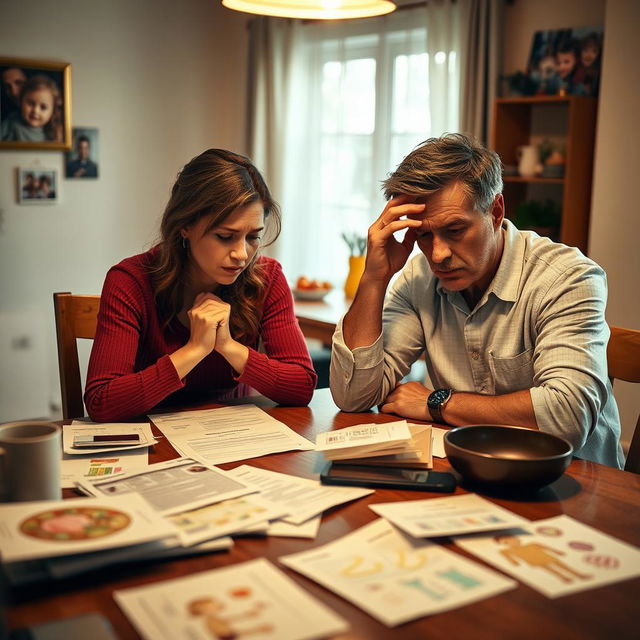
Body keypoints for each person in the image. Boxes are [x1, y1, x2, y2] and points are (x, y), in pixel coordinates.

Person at [330, 133, 623, 468]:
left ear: (495, 211)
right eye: (424, 235)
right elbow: (353, 396)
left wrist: (437, 402)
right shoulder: (418, 278)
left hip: (574, 483)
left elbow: (566, 417)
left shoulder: (566, 278)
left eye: (455, 230)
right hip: (468, 473)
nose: (437, 255)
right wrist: (374, 277)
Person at [85, 149, 317, 421]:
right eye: (225, 236)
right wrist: (195, 349)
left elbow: (302, 385)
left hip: (235, 440)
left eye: (253, 237)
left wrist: (228, 345)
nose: (242, 254)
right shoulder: (130, 281)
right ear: (185, 225)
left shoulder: (267, 277)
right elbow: (102, 401)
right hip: (154, 445)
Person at [0, 74, 63, 142]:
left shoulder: (56, 131)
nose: (35, 111)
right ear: (21, 102)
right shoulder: (12, 121)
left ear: (53, 110)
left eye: (43, 107)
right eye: (30, 103)